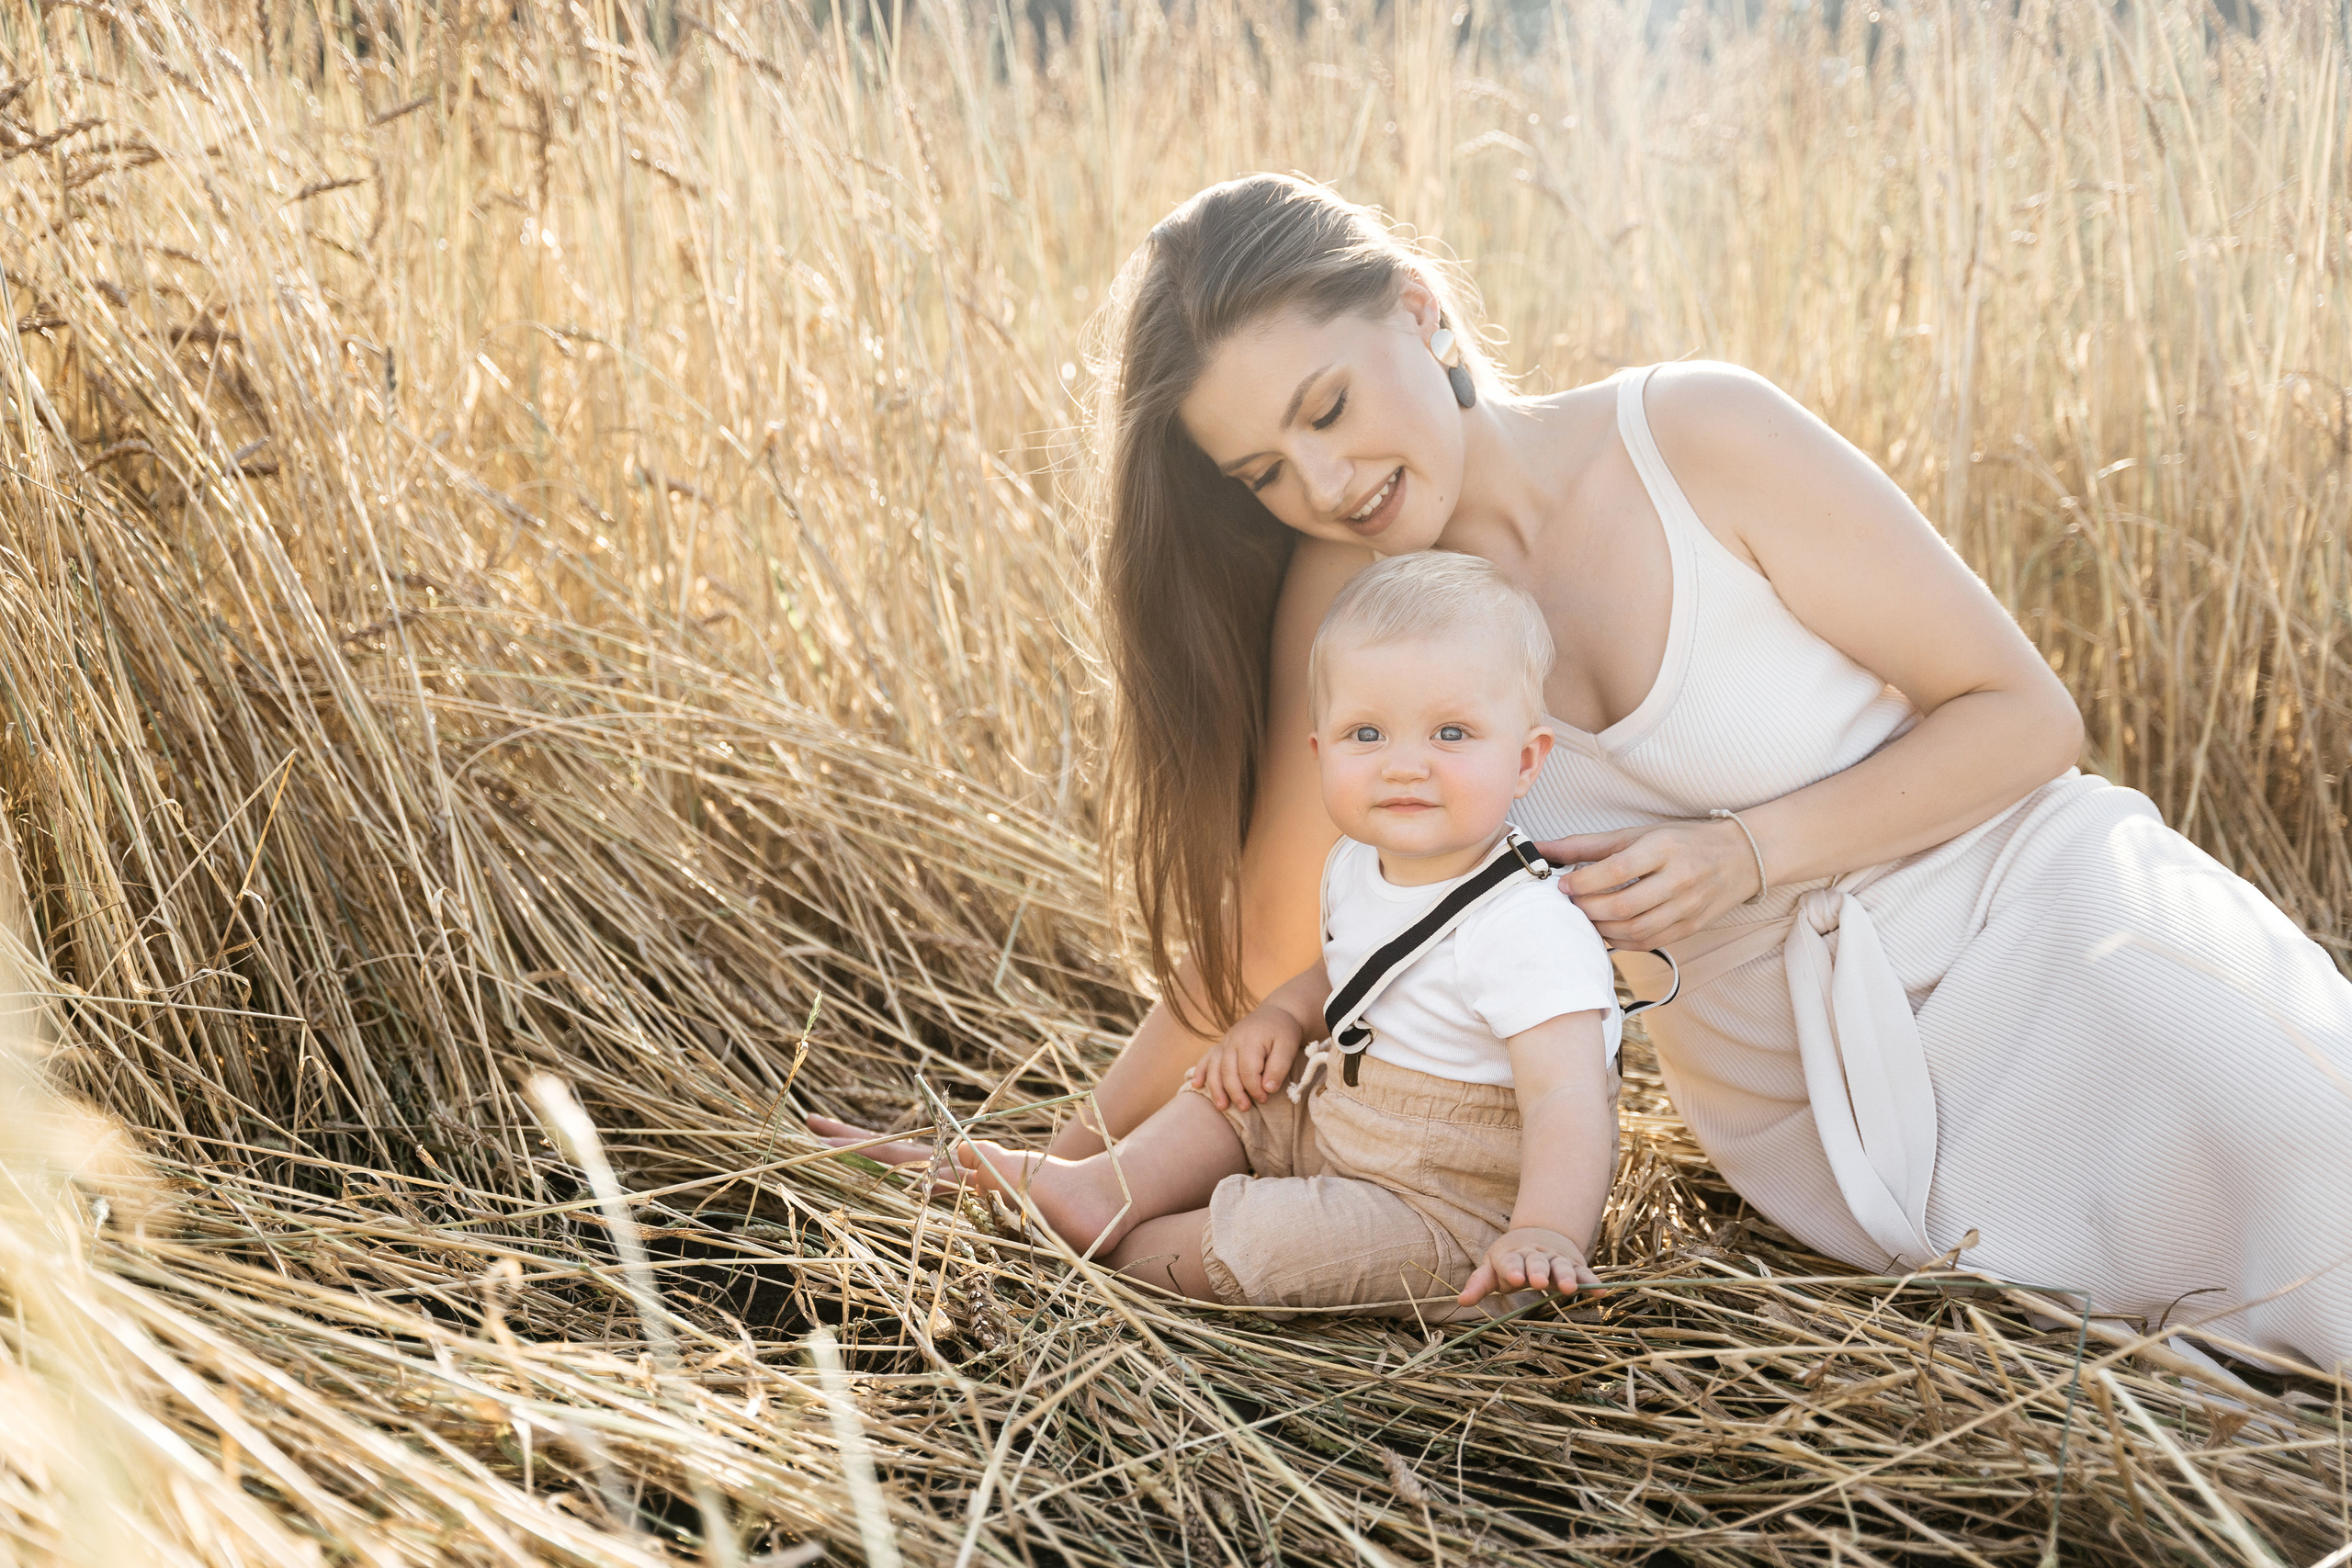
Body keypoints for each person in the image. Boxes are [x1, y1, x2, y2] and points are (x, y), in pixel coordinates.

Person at [814, 172, 2352, 1375]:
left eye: (1329, 409)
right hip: (1815, 1094)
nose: (1327, 484)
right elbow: (1278, 947)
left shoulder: (1699, 435)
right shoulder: (1341, 607)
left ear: (1418, 306)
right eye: (1266, 473)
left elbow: (2024, 715)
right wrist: (1061, 1167)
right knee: (2120, 1300)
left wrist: (1749, 850)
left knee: (2283, 1137)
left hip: (2034, 904)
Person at [949, 552, 1624, 1314]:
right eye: (1366, 732)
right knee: (1236, 1094)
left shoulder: (1527, 928)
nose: (1404, 765)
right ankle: (1104, 1183)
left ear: (1526, 759)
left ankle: (1122, 1253)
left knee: (1266, 1243)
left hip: (1449, 1207)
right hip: (1346, 1112)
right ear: (1319, 753)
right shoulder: (1354, 863)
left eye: (1451, 732)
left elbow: (1567, 1097)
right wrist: (1281, 1014)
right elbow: (1346, 967)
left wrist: (1545, 1229)